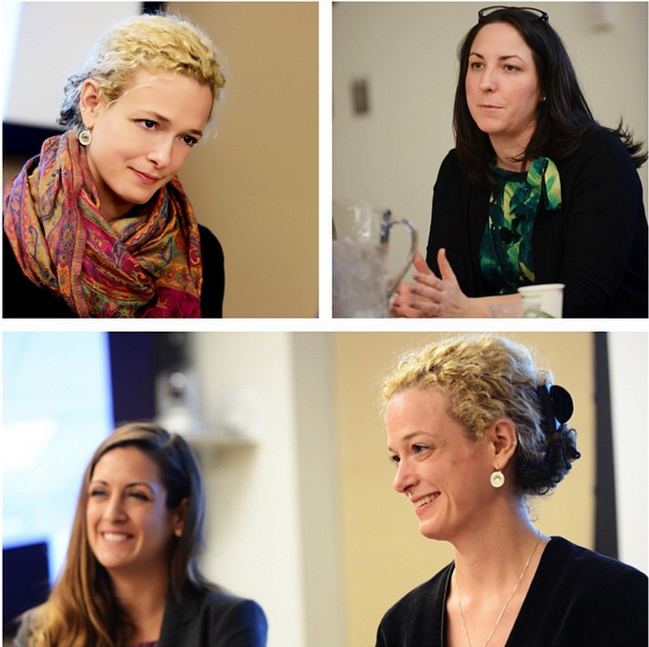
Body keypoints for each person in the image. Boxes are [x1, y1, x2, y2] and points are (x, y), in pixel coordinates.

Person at [377, 335, 647, 647]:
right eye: (397, 458)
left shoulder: (612, 599)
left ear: (500, 444)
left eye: (420, 448)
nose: (400, 481)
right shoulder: (400, 628)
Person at [392, 6, 647, 318]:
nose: (486, 83)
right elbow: (449, 289)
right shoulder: (457, 168)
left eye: (509, 68)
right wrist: (424, 304)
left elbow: (582, 301)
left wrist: (470, 310)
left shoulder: (601, 159)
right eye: (476, 65)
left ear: (545, 85)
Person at [3, 12, 226, 317]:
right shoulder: (7, 233)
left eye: (187, 139)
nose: (163, 157)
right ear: (92, 103)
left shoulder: (202, 251)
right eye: (149, 124)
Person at [14, 423, 267, 647]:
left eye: (136, 495)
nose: (112, 513)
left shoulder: (229, 622)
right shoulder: (40, 632)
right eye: (100, 492)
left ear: (180, 515)